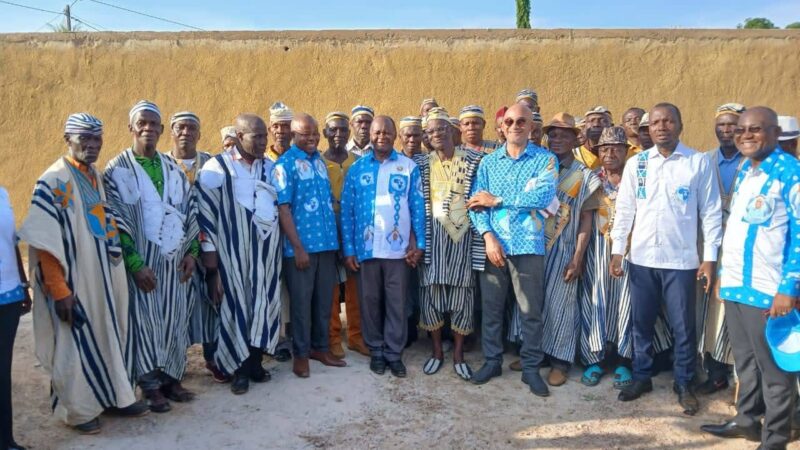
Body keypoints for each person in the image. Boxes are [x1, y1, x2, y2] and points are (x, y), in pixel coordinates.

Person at [19, 113, 148, 434]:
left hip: (105, 278)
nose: (92, 146)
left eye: (97, 140)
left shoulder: (96, 176)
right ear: (68, 140)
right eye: (84, 140)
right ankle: (79, 410)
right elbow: (45, 241)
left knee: (112, 335)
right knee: (75, 343)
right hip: (75, 282)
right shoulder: (53, 180)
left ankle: (117, 397)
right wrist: (59, 291)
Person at [611, 103, 722, 416]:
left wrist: (709, 258)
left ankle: (684, 382)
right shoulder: (638, 164)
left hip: (682, 261)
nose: (661, 127)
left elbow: (711, 212)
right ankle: (642, 376)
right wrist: (618, 250)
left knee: (683, 326)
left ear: (680, 125)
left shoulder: (697, 163)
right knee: (641, 322)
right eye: (656, 122)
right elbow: (626, 209)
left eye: (668, 121)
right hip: (642, 258)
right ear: (649, 129)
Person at [701, 106, 799, 449]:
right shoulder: (745, 169)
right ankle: (746, 420)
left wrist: (789, 288)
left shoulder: (791, 173)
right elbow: (738, 227)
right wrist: (724, 277)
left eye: (755, 129)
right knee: (745, 362)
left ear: (774, 133)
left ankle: (774, 440)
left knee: (775, 373)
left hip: (769, 290)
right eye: (741, 129)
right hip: (737, 286)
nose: (745, 135)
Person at [104, 101, 199, 412]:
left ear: (161, 130)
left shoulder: (172, 168)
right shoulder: (116, 170)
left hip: (175, 262)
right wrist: (134, 264)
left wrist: (192, 253)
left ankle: (172, 378)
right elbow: (115, 221)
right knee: (144, 323)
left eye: (153, 124)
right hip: (141, 263)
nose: (148, 128)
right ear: (131, 128)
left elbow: (190, 211)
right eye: (141, 123)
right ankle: (149, 385)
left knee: (174, 319)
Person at [466, 103, 558, 397]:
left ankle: (531, 368)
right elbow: (475, 205)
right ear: (502, 127)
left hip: (529, 246)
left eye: (522, 121)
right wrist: (488, 236)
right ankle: (492, 361)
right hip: (495, 247)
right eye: (510, 121)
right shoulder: (489, 163)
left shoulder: (546, 160)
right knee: (491, 310)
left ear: (532, 127)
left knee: (531, 311)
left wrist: (498, 201)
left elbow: (542, 197)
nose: (516, 125)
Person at [579, 126, 672, 389]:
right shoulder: (591, 179)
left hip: (631, 250)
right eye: (604, 149)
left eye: (616, 149)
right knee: (596, 300)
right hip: (597, 250)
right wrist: (579, 256)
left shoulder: (639, 179)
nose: (610, 154)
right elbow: (585, 219)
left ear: (626, 152)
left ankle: (624, 361)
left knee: (627, 304)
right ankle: (594, 359)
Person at [196, 113, 282, 395]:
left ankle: (256, 364)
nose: (262, 142)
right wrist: (211, 262)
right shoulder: (216, 168)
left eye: (263, 136)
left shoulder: (270, 168)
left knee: (262, 305)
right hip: (232, 256)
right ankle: (238, 369)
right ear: (238, 136)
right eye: (255, 136)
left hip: (265, 256)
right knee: (236, 308)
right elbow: (205, 216)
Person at [340, 115, 425, 378]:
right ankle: (376, 350)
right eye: (377, 132)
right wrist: (349, 249)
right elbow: (347, 211)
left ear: (394, 135)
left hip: (398, 251)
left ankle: (393, 353)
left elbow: (418, 208)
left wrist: (419, 243)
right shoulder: (357, 169)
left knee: (397, 303)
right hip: (366, 250)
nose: (381, 137)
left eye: (387, 133)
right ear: (370, 135)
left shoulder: (408, 167)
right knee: (370, 302)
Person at [414, 108, 484, 380]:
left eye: (442, 129)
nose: (437, 135)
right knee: (430, 295)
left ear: (453, 131)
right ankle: (436, 352)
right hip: (432, 242)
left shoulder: (475, 160)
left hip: (463, 242)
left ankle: (457, 353)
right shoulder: (421, 164)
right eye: (431, 131)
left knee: (462, 297)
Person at [274, 113, 345, 377]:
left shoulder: (319, 163)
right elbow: (283, 209)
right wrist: (298, 247)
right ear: (293, 135)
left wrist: (336, 243)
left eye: (315, 132)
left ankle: (320, 348)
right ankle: (301, 355)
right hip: (300, 250)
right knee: (302, 305)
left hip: (326, 246)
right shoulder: (285, 165)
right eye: (306, 133)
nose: (312, 137)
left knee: (324, 302)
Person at [535, 113, 601, 387]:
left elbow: (587, 219)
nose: (558, 138)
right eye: (554, 133)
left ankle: (560, 362)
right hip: (536, 245)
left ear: (577, 138)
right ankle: (535, 353)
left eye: (564, 133)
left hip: (564, 248)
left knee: (560, 304)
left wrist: (578, 256)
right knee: (534, 302)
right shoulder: (539, 167)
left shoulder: (585, 176)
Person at [167, 112, 228, 383]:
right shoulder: (163, 165)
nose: (186, 132)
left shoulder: (212, 164)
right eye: (180, 127)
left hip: (209, 247)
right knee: (176, 305)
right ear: (171, 131)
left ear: (199, 134)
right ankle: (175, 363)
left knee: (213, 301)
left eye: (192, 128)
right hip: (174, 250)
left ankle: (213, 358)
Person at [696, 103, 746, 396]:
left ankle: (741, 377)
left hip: (741, 248)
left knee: (735, 310)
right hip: (710, 246)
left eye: (732, 124)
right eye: (722, 124)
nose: (726, 130)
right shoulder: (706, 160)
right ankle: (714, 372)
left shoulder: (753, 163)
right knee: (708, 311)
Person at [322, 111, 368, 359]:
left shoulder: (358, 162)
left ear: (349, 132)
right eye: (332, 129)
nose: (338, 134)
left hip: (354, 227)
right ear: (324, 133)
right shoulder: (318, 163)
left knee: (354, 282)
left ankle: (356, 336)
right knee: (330, 283)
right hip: (327, 228)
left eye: (342, 129)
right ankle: (332, 337)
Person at [1, 185, 32, 448]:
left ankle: (6, 440)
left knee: (2, 371)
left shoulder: (2, 194)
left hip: (8, 294)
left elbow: (11, 243)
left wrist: (23, 285)